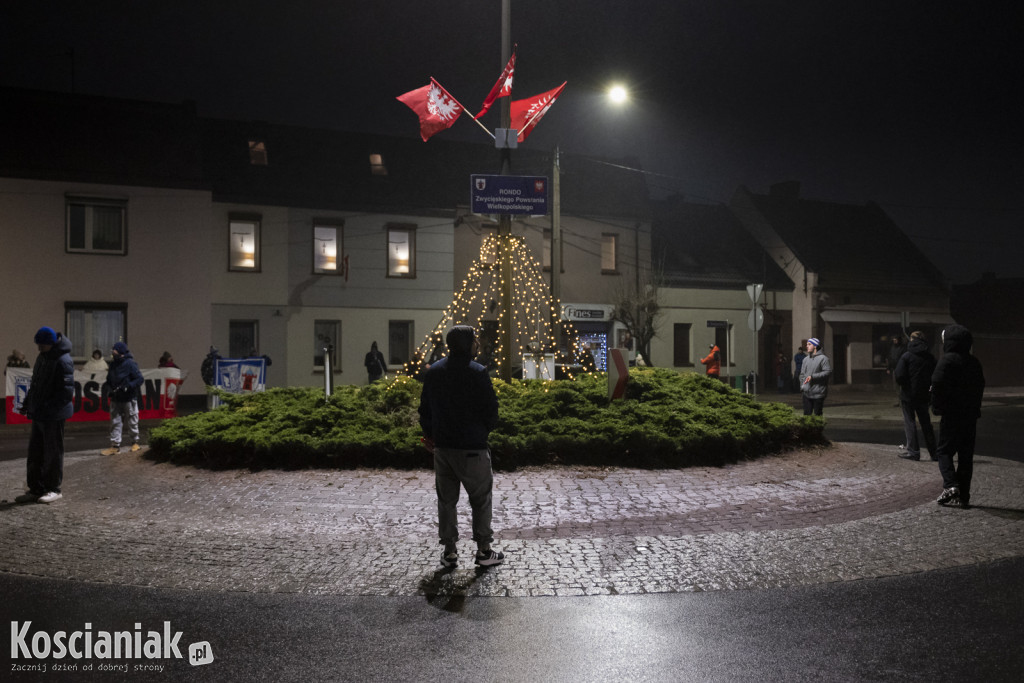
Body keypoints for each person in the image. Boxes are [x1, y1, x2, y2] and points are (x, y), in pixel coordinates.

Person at [418, 325, 503, 568]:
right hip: (473, 448)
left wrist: (430, 435)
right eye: (475, 340)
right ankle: (484, 550)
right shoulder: (478, 372)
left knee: (446, 501)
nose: (478, 343)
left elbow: (425, 410)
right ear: (468, 344)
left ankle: (450, 551)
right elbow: (491, 410)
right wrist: (482, 431)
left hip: (443, 448)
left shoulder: (434, 371)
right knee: (481, 500)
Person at [16, 327, 74, 504]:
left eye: (41, 345)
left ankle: (53, 489)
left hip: (53, 415)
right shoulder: (43, 357)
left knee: (53, 453)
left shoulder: (63, 361)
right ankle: (36, 488)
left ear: (50, 343)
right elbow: (36, 384)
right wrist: (28, 403)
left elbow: (65, 393)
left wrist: (46, 407)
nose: (38, 348)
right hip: (40, 413)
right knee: (35, 453)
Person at [931, 324, 985, 509]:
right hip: (969, 416)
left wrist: (937, 407)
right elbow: (980, 387)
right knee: (965, 456)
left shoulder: (946, 361)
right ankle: (964, 495)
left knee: (944, 451)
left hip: (951, 415)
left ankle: (950, 485)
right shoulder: (974, 362)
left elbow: (937, 384)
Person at [894, 331, 937, 461]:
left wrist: (906, 387)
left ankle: (913, 451)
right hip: (924, 395)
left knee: (910, 422)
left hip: (908, 395)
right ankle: (934, 453)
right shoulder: (930, 357)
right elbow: (935, 375)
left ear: (912, 340)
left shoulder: (906, 356)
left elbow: (899, 375)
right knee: (926, 424)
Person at [102, 342, 144, 455]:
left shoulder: (130, 364)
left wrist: (128, 386)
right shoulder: (113, 365)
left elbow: (139, 379)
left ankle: (135, 443)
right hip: (116, 398)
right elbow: (109, 380)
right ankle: (115, 446)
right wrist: (110, 389)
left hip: (129, 398)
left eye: (114, 350)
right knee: (115, 422)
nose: (112, 352)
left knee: (132, 420)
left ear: (120, 352)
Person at [799, 337, 832, 416]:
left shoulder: (823, 359)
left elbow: (828, 372)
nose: (807, 346)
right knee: (806, 415)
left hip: (818, 392)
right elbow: (802, 374)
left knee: (817, 415)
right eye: (807, 344)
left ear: (815, 346)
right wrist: (802, 386)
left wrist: (813, 376)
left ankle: (817, 428)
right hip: (807, 393)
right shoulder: (805, 359)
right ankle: (807, 429)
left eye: (809, 344)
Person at [886, 335, 907, 405]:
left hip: (901, 369)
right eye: (893, 340)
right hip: (894, 369)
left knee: (901, 385)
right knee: (896, 386)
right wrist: (888, 368)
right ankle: (899, 400)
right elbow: (890, 358)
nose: (894, 341)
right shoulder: (892, 348)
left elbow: (903, 358)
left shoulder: (903, 348)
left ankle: (903, 400)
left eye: (896, 340)